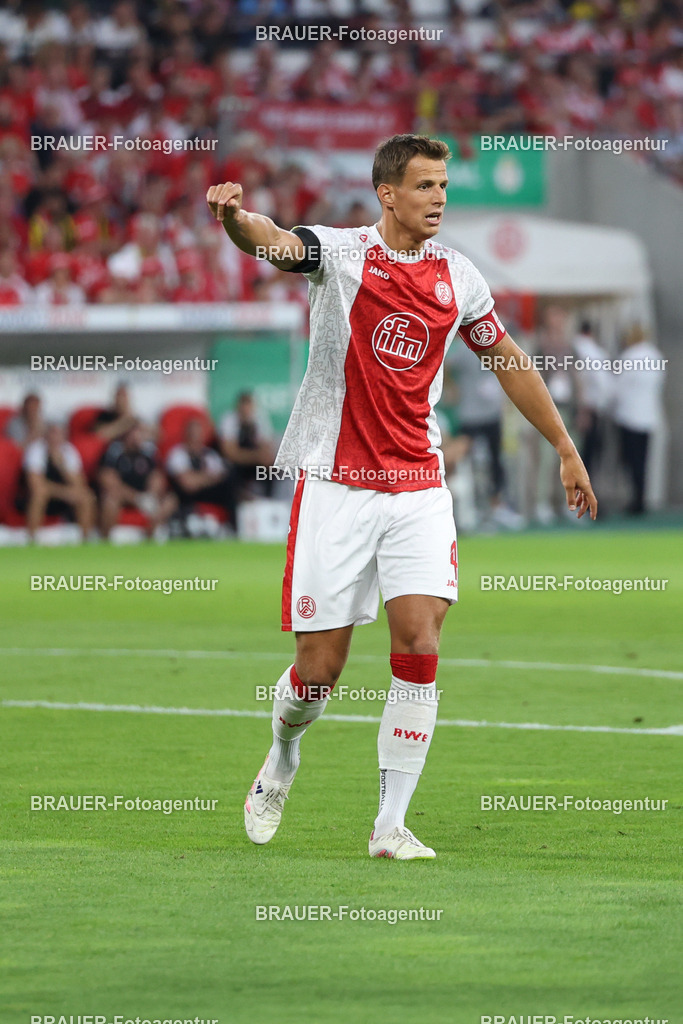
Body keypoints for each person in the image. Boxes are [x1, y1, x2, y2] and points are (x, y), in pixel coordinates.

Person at [206, 134, 597, 861]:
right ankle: (282, 753)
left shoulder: (459, 275)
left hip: (417, 485)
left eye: (444, 186)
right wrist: (235, 220)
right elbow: (274, 243)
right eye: (424, 187)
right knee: (318, 675)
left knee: (418, 642)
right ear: (388, 194)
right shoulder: (342, 252)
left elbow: (508, 361)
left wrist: (564, 448)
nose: (439, 199)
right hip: (336, 486)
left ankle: (389, 825)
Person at [613, 324, 666, 515]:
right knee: (643, 461)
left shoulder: (629, 356)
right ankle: (641, 498)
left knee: (631, 460)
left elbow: (617, 387)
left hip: (629, 416)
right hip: (649, 416)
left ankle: (636, 500)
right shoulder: (655, 355)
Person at [98, 421, 177, 538]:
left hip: (146, 496)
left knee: (171, 500)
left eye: (138, 433)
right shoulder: (114, 452)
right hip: (125, 497)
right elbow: (108, 480)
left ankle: (150, 538)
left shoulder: (148, 453)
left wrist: (151, 495)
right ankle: (105, 542)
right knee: (110, 499)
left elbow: (157, 477)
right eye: (132, 434)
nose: (136, 437)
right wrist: (137, 499)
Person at [19, 422, 96, 540]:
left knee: (87, 497)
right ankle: (32, 539)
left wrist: (61, 465)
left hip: (62, 498)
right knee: (39, 495)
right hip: (39, 497)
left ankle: (85, 540)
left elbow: (80, 484)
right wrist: (65, 493)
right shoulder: (36, 449)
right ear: (46, 435)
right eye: (52, 433)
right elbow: (35, 484)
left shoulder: (68, 451)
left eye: (58, 434)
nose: (55, 437)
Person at [165, 417, 236, 529]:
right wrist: (209, 478)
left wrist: (198, 478)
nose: (195, 438)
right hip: (185, 497)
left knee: (231, 484)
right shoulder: (177, 454)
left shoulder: (210, 455)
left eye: (198, 434)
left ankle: (233, 528)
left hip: (209, 494)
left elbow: (222, 476)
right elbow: (187, 484)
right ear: (186, 435)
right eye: (192, 434)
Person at [572, 320, 613, 477]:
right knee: (586, 454)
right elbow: (603, 383)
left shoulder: (571, 346)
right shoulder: (593, 351)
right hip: (589, 408)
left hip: (570, 405)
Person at [219, 392, 275, 500]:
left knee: (270, 470)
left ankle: (268, 501)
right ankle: (237, 500)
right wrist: (256, 456)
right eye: (243, 410)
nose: (246, 412)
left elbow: (267, 449)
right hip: (235, 465)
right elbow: (230, 453)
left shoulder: (260, 418)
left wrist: (260, 457)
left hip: (252, 462)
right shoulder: (228, 420)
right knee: (230, 475)